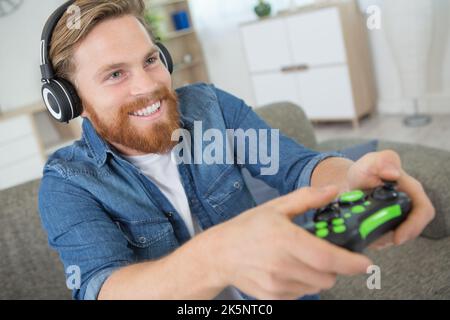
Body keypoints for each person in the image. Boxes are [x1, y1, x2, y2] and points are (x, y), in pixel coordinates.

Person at [38, 0, 435, 300]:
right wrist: (217, 256)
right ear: (70, 100)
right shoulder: (69, 184)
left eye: (151, 60)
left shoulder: (209, 108)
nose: (148, 85)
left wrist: (352, 177)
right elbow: (103, 288)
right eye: (115, 74)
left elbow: (296, 166)